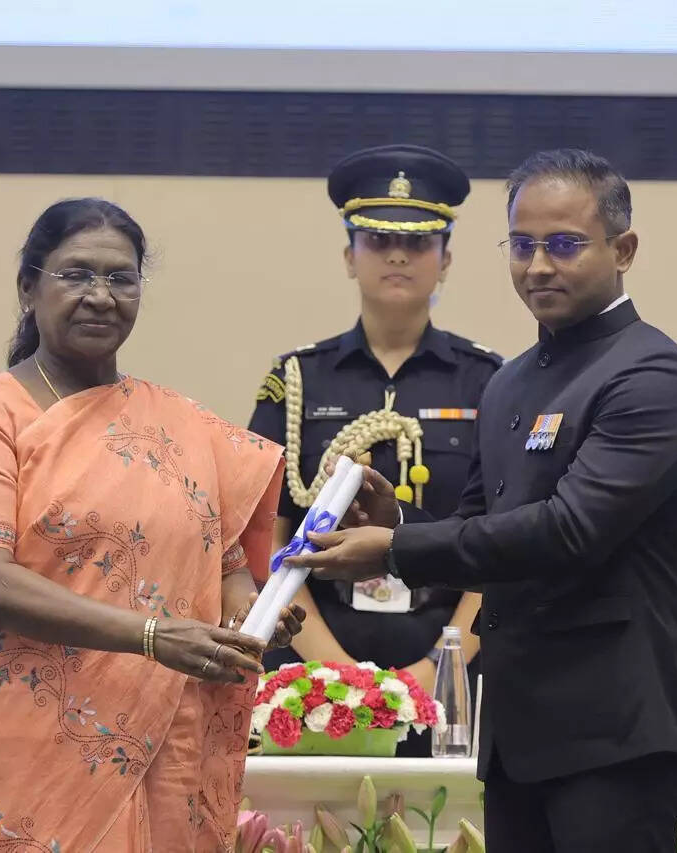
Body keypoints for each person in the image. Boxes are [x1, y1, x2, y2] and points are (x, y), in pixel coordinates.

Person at [285, 149, 677, 851]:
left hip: (615, 731)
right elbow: (476, 528)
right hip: (518, 731)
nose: (538, 266)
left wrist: (396, 549)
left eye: (564, 245)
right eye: (522, 245)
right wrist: (395, 519)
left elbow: (570, 531)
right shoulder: (512, 381)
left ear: (624, 249)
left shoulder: (653, 373)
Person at [0, 198, 305, 852]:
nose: (100, 295)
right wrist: (151, 636)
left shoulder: (179, 425)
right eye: (75, 275)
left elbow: (226, 564)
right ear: (28, 288)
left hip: (163, 739)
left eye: (120, 278)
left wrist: (250, 613)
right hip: (23, 743)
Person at [247, 144, 502, 756]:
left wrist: (439, 666)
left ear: (444, 261)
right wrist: (333, 671)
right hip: (311, 657)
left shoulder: (490, 382)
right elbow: (265, 534)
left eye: (418, 244)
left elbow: (505, 542)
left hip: (449, 660)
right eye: (376, 239)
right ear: (348, 256)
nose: (397, 254)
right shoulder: (297, 379)